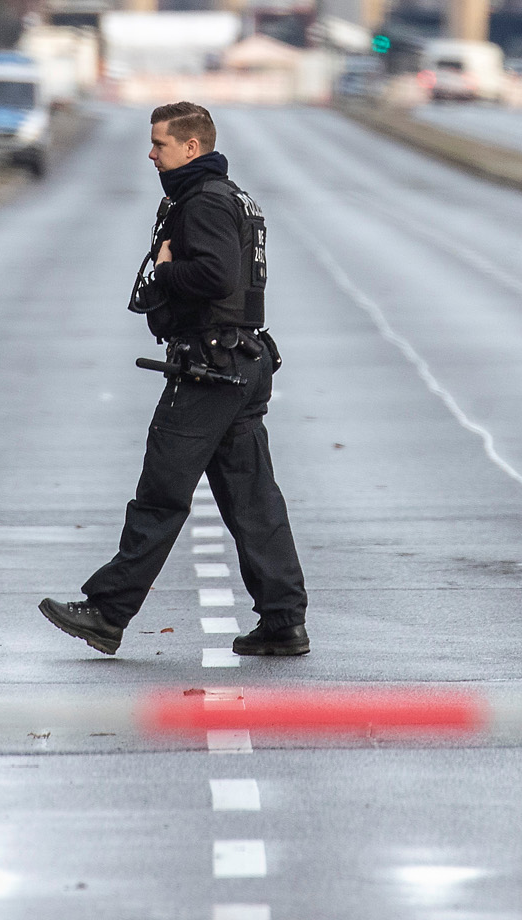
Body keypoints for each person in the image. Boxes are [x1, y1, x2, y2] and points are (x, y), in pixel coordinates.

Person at [40, 101, 309, 657]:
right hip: (242, 362)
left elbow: (216, 275)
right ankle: (283, 621)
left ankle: (108, 613)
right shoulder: (232, 196)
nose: (150, 152)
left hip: (210, 368)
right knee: (253, 500)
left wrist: (166, 268)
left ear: (192, 147)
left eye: (160, 144)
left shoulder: (206, 202)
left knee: (161, 495)